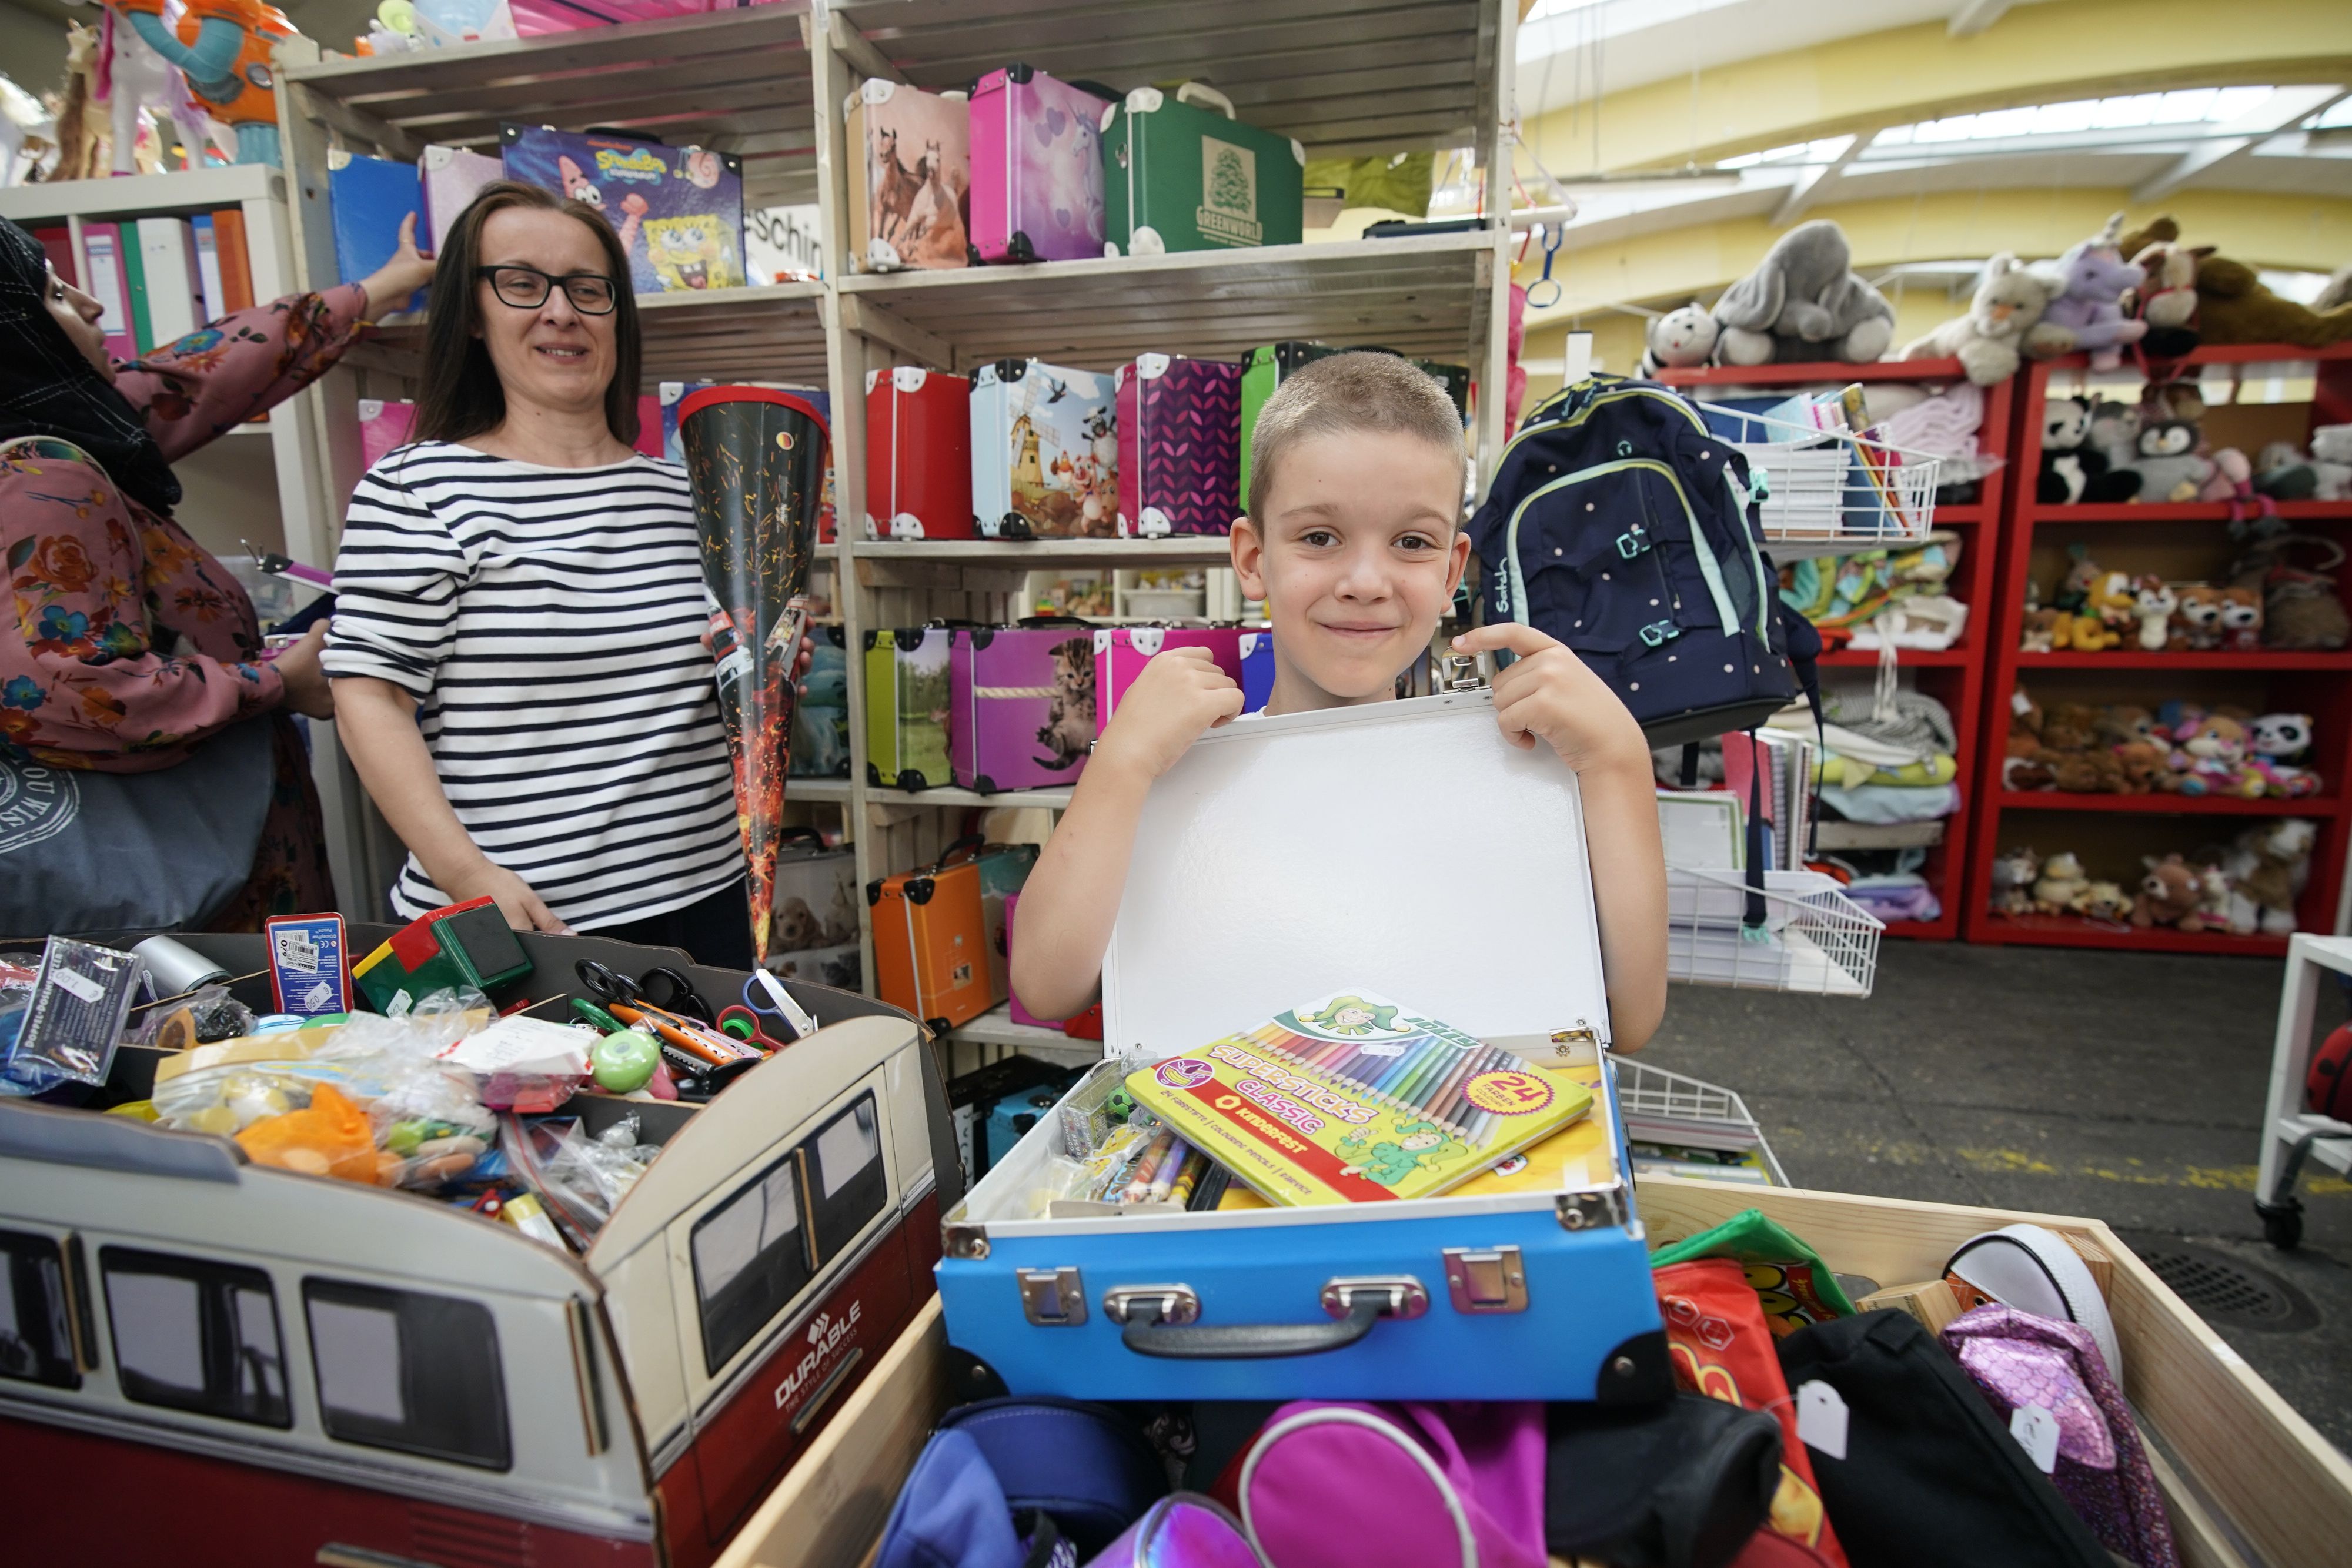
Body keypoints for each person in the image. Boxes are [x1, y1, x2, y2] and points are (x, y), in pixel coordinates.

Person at [1010, 352, 1669, 1051]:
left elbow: (1626, 1021)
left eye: (1411, 542)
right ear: (1253, 558)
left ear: (1451, 571)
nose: (1364, 581)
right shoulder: (1169, 766)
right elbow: (1048, 987)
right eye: (1320, 537)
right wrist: (1119, 764)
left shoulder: (1526, 764)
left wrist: (1618, 761)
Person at [327, 180, 774, 969]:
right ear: (473, 313)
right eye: (523, 283)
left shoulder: (691, 495)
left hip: (704, 901)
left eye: (586, 289)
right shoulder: (418, 490)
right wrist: (467, 875)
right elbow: (370, 696)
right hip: (523, 919)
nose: (560, 312)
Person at [0, 215, 433, 928]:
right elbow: (74, 694)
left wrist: (379, 290)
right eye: (51, 296)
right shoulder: (39, 478)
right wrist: (272, 683)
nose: (91, 304)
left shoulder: (73, 428)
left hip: (193, 850)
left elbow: (194, 378)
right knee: (235, 1032)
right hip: (179, 871)